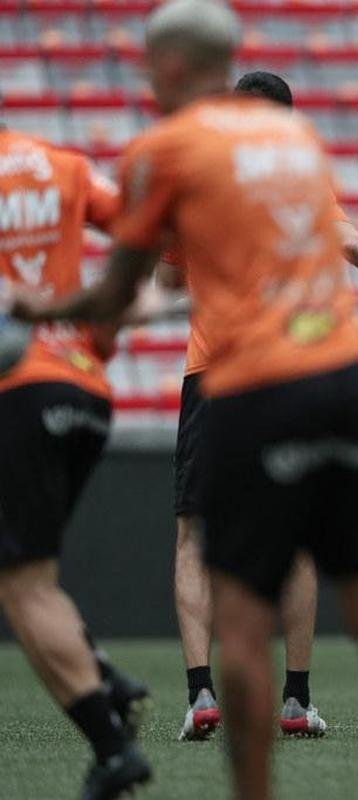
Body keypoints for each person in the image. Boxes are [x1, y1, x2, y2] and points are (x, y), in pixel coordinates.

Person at [13, 2, 358, 796]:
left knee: (238, 607)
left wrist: (41, 313)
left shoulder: (165, 150)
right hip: (343, 372)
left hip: (247, 380)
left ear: (170, 67)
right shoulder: (300, 143)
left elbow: (118, 286)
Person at [169, 69, 358, 742]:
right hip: (302, 369)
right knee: (302, 535)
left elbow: (164, 275)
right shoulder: (298, 170)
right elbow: (349, 240)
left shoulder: (194, 170)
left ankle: (201, 695)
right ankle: (296, 700)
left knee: (194, 535)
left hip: (216, 372)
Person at [0, 126, 153, 796]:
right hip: (84, 389)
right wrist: (106, 322)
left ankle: (111, 745)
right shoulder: (60, 166)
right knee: (26, 571)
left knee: (24, 582)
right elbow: (142, 229)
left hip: (17, 393)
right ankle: (101, 672)